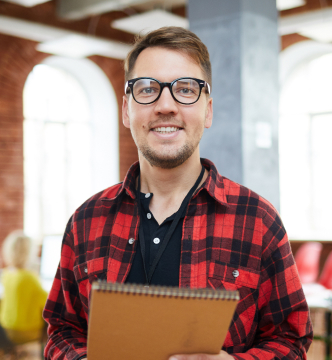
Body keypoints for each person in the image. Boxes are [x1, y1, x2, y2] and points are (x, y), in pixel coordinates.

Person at [43, 27, 313, 360]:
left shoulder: (258, 219)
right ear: (126, 110)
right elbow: (62, 329)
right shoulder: (86, 221)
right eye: (147, 89)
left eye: (185, 89)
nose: (165, 105)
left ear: (208, 110)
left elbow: (292, 339)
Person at [0, 230, 48, 344]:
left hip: (6, 328)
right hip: (28, 331)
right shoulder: (31, 278)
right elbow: (47, 302)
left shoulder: (6, 274)